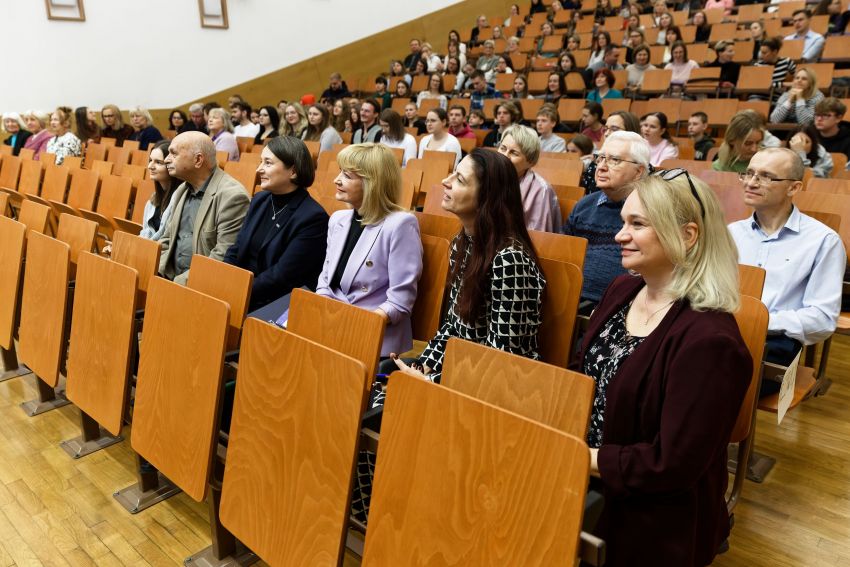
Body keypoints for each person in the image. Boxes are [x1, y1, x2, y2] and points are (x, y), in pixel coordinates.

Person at [580, 171, 751, 567]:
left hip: (652, 513)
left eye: (637, 224)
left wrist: (576, 457)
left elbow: (671, 465)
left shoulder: (710, 341)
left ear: (688, 235)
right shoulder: (622, 290)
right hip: (594, 470)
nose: (620, 235)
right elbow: (583, 373)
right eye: (623, 222)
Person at [393, 149, 545, 383]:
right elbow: (453, 327)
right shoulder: (462, 244)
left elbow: (502, 358)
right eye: (453, 173)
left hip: (493, 388)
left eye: (460, 179)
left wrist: (432, 382)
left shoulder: (510, 260)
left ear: (487, 198)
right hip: (458, 371)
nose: (446, 181)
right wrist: (425, 366)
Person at [729, 147, 845, 392]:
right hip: (721, 332)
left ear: (794, 188)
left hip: (773, 342)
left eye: (766, 176)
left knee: (708, 379)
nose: (750, 182)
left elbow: (822, 319)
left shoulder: (823, 241)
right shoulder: (731, 233)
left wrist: (758, 321)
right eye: (748, 173)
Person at [316, 144, 423, 357]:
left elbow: (399, 301)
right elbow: (325, 281)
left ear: (371, 183)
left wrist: (354, 326)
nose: (336, 180)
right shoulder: (338, 219)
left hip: (373, 333)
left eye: (346, 175)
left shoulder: (400, 224)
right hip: (333, 323)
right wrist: (323, 314)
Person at [224, 136, 329, 311]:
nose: (259, 169)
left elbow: (282, 277)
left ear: (293, 171)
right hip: (243, 292)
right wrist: (223, 278)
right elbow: (236, 248)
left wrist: (238, 291)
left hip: (275, 304)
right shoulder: (260, 200)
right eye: (260, 162)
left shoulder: (313, 218)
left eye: (268, 163)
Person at [564, 131, 650, 306]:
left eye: (614, 160)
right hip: (572, 298)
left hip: (624, 305)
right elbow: (564, 257)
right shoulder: (583, 206)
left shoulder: (651, 211)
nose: (601, 166)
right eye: (601, 158)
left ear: (638, 171)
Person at [158, 131, 250, 285]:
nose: (167, 159)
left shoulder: (232, 197)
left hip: (202, 288)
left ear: (198, 160)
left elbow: (221, 258)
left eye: (173, 154)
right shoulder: (183, 189)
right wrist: (155, 273)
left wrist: (176, 284)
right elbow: (167, 238)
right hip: (171, 280)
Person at [498, 125, 562, 233]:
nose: (505, 156)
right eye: (503, 148)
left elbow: (538, 238)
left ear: (530, 161)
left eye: (514, 153)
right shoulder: (487, 177)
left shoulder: (541, 190)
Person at [581, 111, 641, 194]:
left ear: (631, 131)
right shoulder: (595, 163)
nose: (606, 133)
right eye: (605, 129)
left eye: (614, 129)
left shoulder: (641, 165)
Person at [140, 140, 180, 242]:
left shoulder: (179, 200)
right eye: (150, 160)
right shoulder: (153, 200)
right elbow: (145, 233)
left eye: (158, 162)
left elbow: (166, 239)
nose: (150, 166)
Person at [754, 37, 797, 103]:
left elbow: (798, 77)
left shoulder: (787, 61)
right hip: (757, 96)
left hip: (776, 98)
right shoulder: (757, 65)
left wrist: (790, 85)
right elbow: (764, 85)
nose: (761, 56)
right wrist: (784, 84)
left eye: (764, 53)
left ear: (775, 52)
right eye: (761, 52)